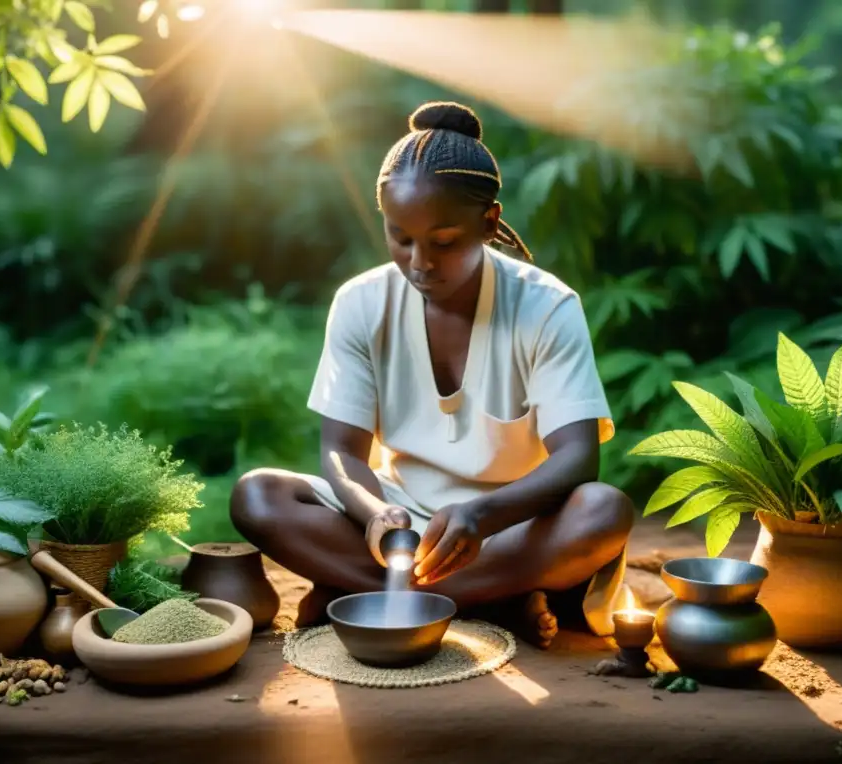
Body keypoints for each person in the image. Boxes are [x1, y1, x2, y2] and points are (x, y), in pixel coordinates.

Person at [231, 101, 634, 649]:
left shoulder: (546, 306)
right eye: (401, 238)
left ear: (489, 222)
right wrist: (375, 516)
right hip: (397, 523)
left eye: (443, 241)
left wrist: (483, 514)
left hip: (510, 526)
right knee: (257, 496)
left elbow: (577, 458)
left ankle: (367, 591)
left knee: (603, 511)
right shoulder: (361, 303)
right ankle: (495, 598)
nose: (420, 261)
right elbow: (341, 452)